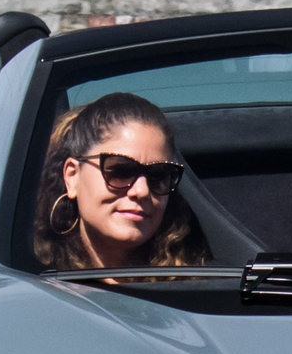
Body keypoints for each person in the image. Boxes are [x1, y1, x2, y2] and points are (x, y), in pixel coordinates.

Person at [34, 91, 212, 270]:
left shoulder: (197, 282)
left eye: (158, 175)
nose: (141, 191)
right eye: (121, 170)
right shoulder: (30, 282)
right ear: (72, 177)